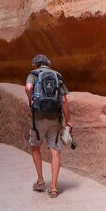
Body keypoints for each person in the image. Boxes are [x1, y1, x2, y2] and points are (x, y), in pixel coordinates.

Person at [25, 53, 72, 198]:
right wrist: (68, 120)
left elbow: (28, 87)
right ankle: (53, 188)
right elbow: (63, 100)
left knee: (35, 147)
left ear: (35, 64)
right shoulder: (57, 75)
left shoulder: (33, 74)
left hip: (38, 117)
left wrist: (31, 99)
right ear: (48, 63)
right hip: (55, 118)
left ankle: (40, 181)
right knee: (55, 150)